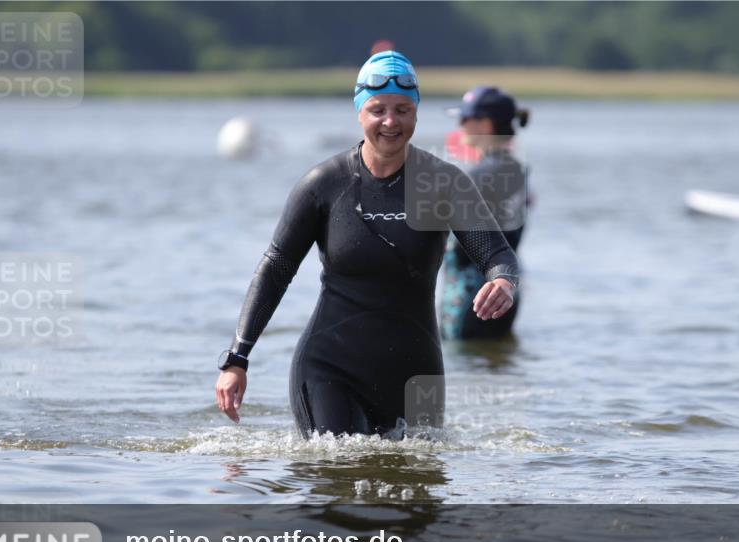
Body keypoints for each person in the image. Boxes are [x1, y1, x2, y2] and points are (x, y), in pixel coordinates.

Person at [214, 51, 519, 438]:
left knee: (419, 489)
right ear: (360, 112)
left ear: (416, 113)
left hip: (416, 375)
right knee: (338, 477)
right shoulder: (324, 184)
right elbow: (275, 268)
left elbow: (497, 254)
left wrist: (504, 282)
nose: (390, 122)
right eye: (378, 110)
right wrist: (237, 359)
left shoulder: (445, 184)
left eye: (403, 110)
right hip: (331, 368)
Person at [440, 86, 530, 340]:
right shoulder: (517, 169)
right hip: (506, 290)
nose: (460, 126)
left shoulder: (479, 175)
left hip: (473, 294)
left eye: (465, 119)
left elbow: (458, 244)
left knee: (466, 369)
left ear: (486, 125)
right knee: (494, 366)